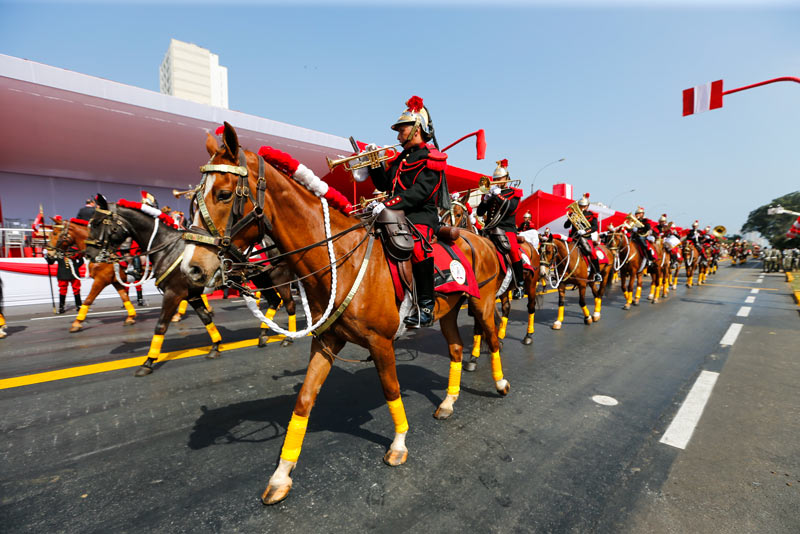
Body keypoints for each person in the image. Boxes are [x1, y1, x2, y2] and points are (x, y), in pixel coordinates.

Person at [367, 95, 447, 328]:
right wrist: (374, 162)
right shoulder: (402, 158)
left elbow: (421, 192)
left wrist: (388, 204)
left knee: (419, 247)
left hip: (421, 214)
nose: (398, 134)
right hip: (396, 213)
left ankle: (425, 305)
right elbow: (384, 185)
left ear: (417, 129)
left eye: (402, 129)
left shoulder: (432, 157)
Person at [477, 159, 525, 296]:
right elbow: (480, 213)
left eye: (500, 178)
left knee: (514, 251)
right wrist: (485, 199)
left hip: (506, 229)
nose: (497, 180)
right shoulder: (491, 193)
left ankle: (520, 284)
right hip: (489, 229)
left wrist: (497, 195)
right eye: (495, 178)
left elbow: (511, 209)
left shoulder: (514, 192)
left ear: (507, 178)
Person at [45, 220, 84, 314]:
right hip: (62, 273)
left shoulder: (74, 250)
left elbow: (81, 261)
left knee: (76, 289)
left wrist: (75, 267)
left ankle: (79, 305)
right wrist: (47, 256)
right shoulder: (58, 252)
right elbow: (51, 262)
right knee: (62, 290)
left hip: (74, 273)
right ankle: (61, 307)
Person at [563, 193, 603, 282]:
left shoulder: (591, 215)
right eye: (580, 206)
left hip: (586, 237)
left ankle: (597, 273)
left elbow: (595, 227)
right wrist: (569, 219)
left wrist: (585, 231)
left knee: (592, 252)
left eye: (584, 206)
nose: (582, 208)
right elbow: (565, 226)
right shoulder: (573, 214)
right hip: (574, 237)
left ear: (587, 206)